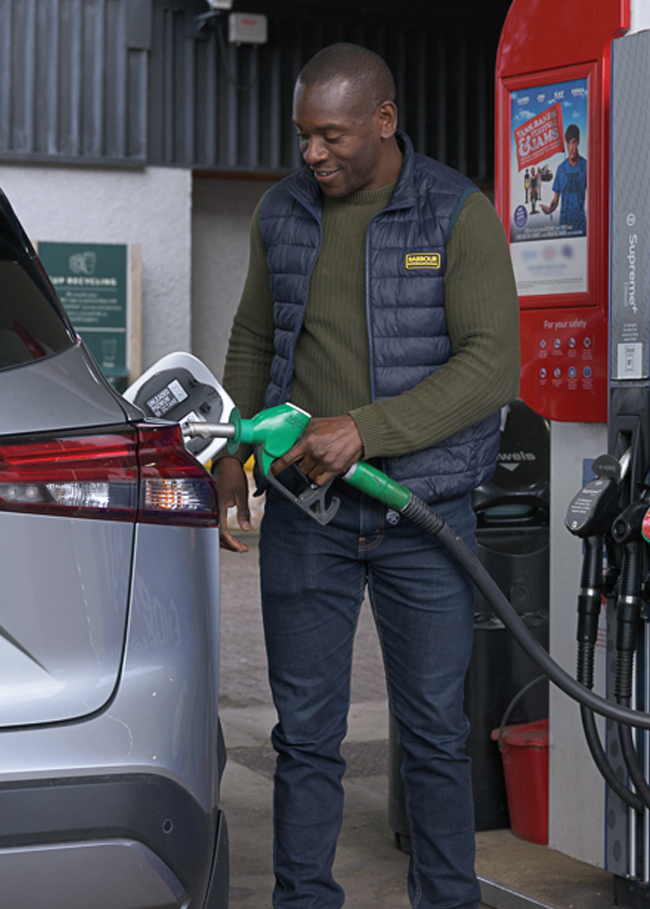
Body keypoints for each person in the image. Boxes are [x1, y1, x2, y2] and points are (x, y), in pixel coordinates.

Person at [214, 43, 520, 909]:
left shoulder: (457, 213)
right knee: (306, 735)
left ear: (384, 121)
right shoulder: (281, 211)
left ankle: (447, 900)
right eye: (305, 135)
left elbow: (494, 363)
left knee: (431, 733)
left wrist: (368, 430)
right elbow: (250, 340)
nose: (313, 153)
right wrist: (232, 452)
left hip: (426, 513)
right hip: (306, 514)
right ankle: (303, 898)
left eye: (332, 135)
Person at [541, 123, 587, 234]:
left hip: (580, 228)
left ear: (578, 142)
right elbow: (555, 200)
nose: (570, 148)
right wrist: (550, 209)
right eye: (568, 144)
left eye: (573, 143)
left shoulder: (586, 166)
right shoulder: (561, 169)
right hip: (564, 227)